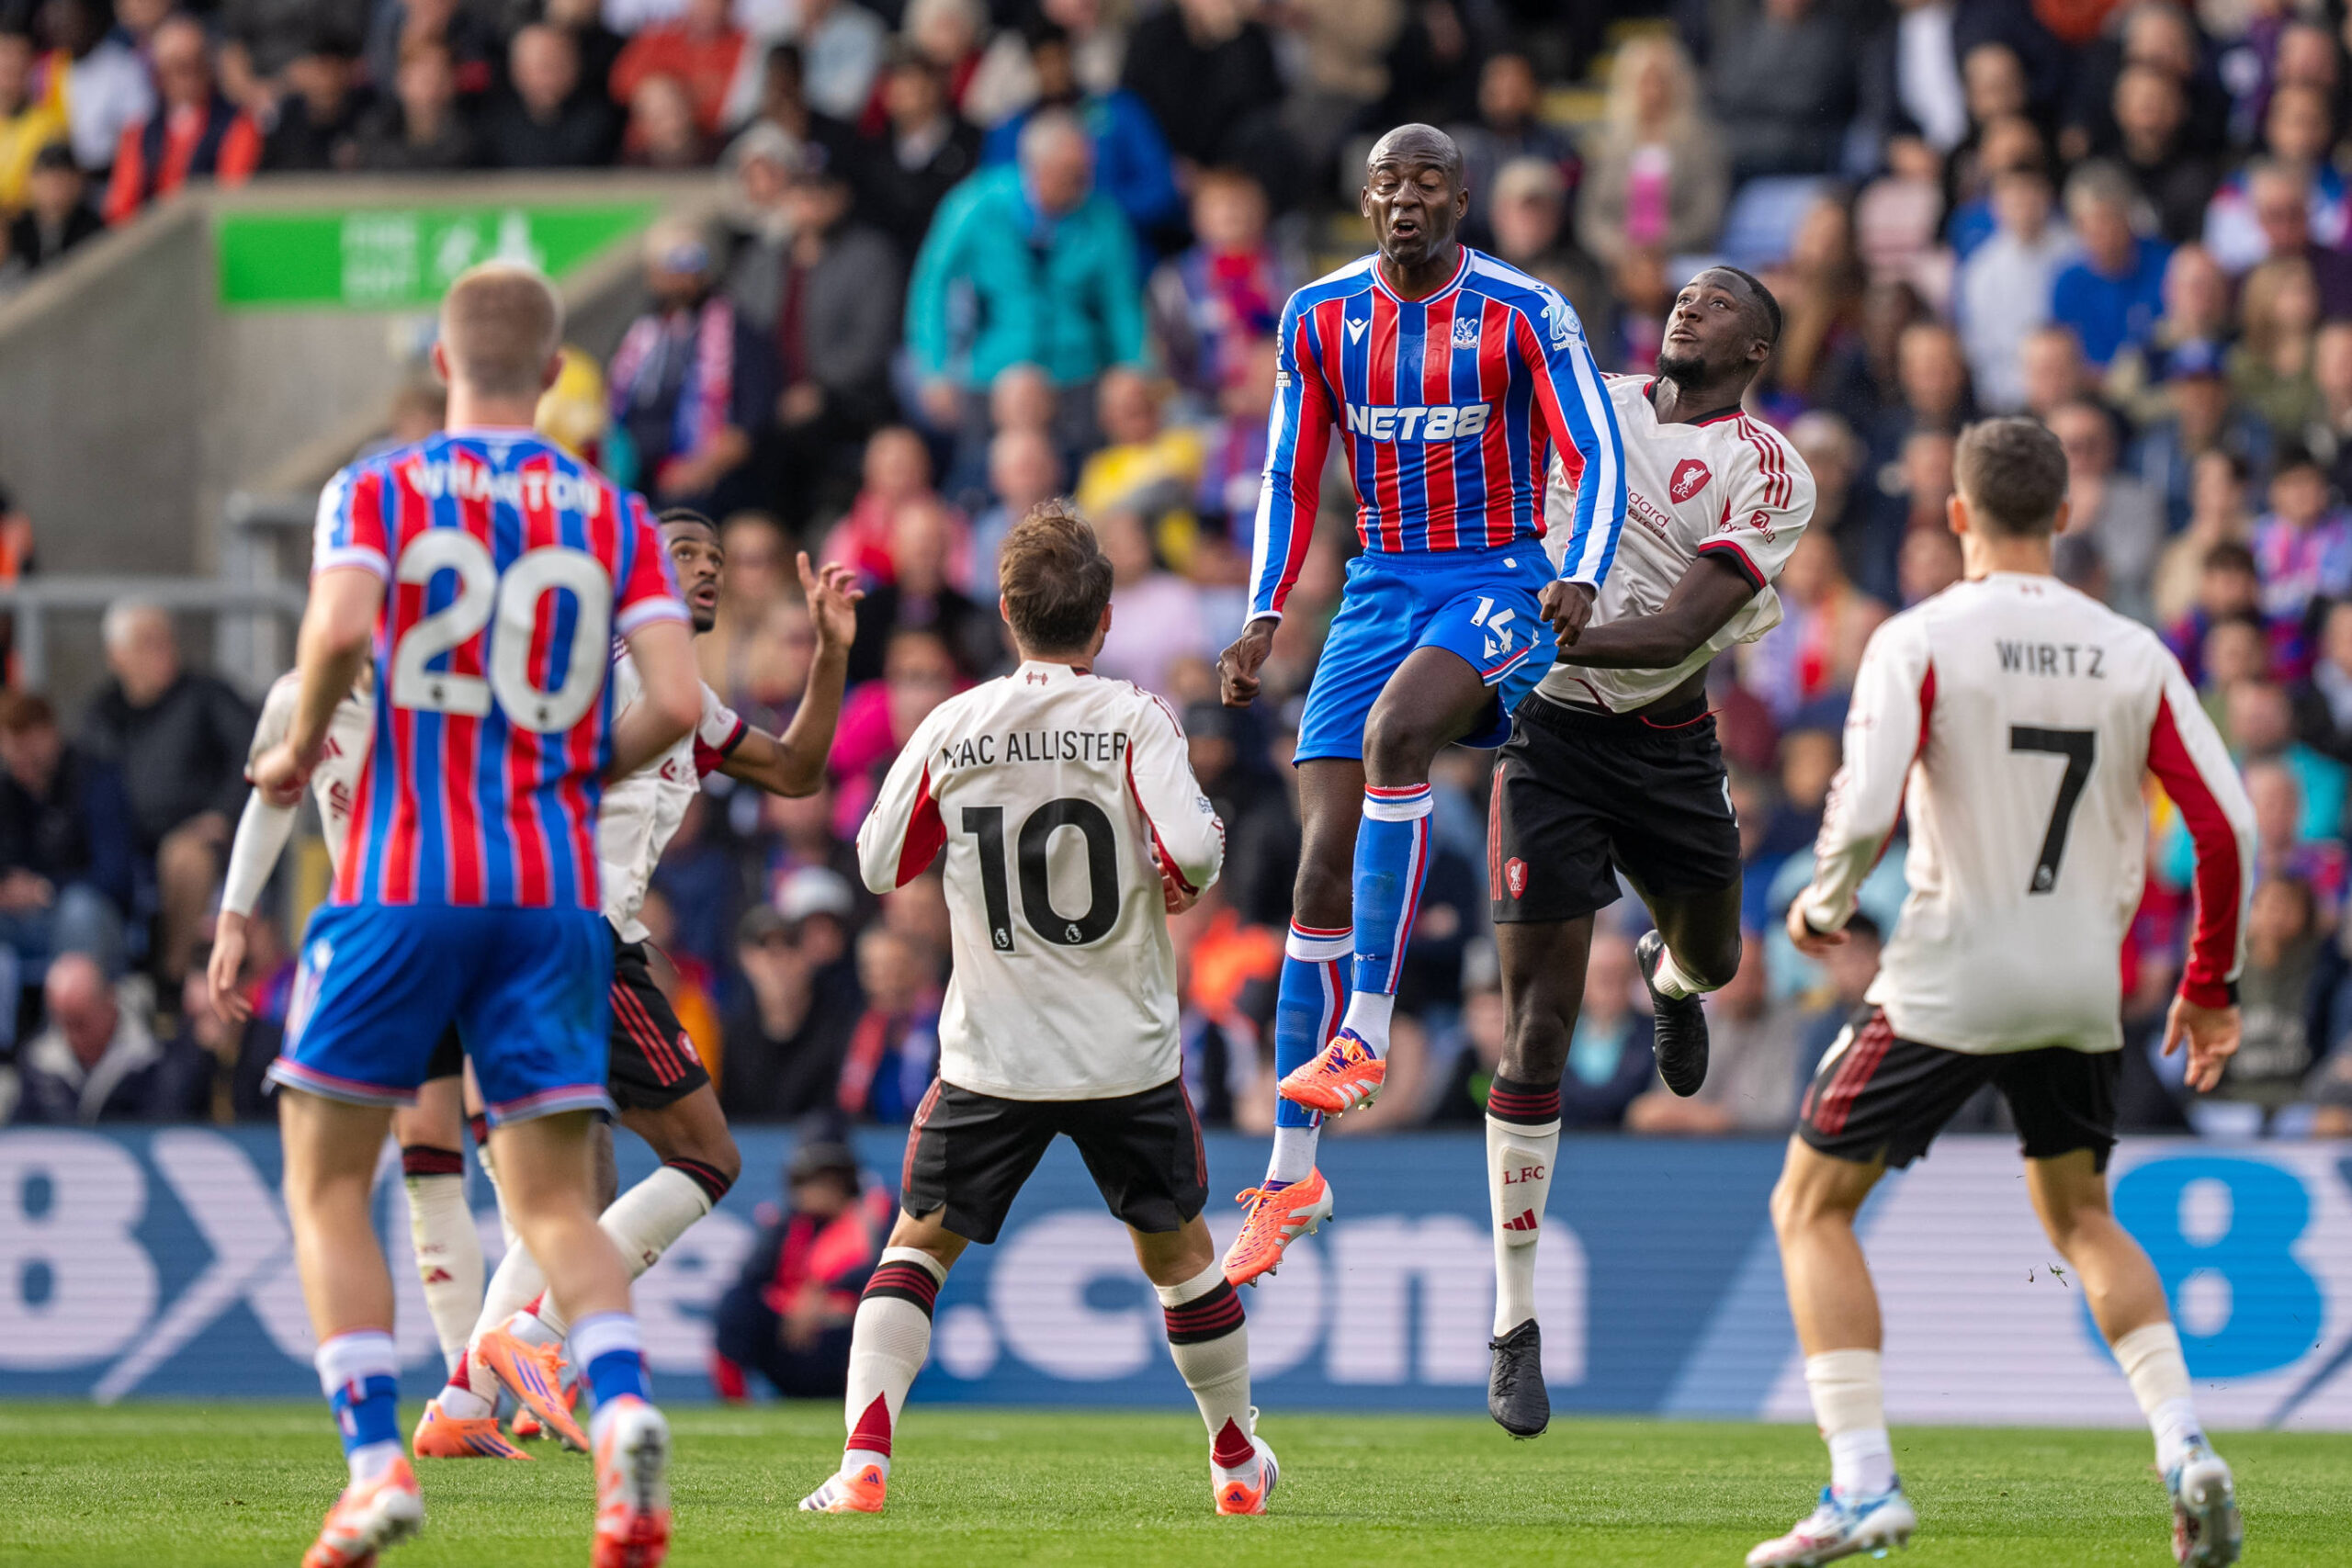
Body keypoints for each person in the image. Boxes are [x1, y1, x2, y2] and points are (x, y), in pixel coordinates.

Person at [246, 261, 703, 1568]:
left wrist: (297, 750)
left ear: (444, 366)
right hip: (549, 893)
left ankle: (374, 1465)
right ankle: (622, 1419)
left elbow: (339, 628)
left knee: (327, 1179)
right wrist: (566, 773)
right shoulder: (613, 512)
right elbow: (676, 702)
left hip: (401, 875)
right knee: (555, 1200)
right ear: (555, 374)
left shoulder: (377, 487)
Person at [1755, 418, 2251, 1567]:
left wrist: (1823, 904)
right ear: (2063, 516)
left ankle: (1861, 1484)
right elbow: (2224, 825)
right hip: (2078, 984)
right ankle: (2183, 1446)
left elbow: (1866, 804)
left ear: (1957, 514)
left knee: (1809, 1207)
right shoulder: (2131, 650)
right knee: (2081, 1218)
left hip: (1950, 974)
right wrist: (2210, 983)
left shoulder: (1919, 637)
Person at [1215, 123, 1625, 1290]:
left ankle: (1368, 1027)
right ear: (1364, 202)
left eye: (1428, 181)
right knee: (1315, 873)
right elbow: (1289, 472)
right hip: (1377, 589)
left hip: (1498, 578)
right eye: (1387, 183)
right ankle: (1291, 1176)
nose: (1406, 198)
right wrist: (1262, 614)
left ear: (1461, 199)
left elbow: (1594, 453)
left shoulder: (1524, 311)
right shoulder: (1318, 317)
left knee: (1400, 734)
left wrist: (1579, 571)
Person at [798, 502, 1263, 1517]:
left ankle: (864, 1461)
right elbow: (1194, 851)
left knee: (916, 1248)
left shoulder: (954, 723)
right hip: (1123, 1054)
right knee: (1180, 1256)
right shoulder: (1136, 717)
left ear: (1007, 614)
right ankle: (1235, 1462)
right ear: (1104, 620)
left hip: (992, 1052)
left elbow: (877, 862)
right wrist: (1181, 871)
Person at [413, 508, 864, 1459]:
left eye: (713, 556)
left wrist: (829, 654)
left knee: (581, 1185)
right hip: (570, 933)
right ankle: (536, 1335)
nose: (705, 568)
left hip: (533, 938)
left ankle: (463, 1403)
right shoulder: (596, 670)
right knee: (708, 1157)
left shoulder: (683, 698)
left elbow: (795, 770)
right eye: (680, 553)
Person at [1483, 266, 1813, 1436]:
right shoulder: (1591, 403)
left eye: (1718, 303)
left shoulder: (1765, 467)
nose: (1687, 306)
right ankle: (1514, 1323)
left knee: (1714, 959)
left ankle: (1671, 984)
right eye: (1683, 295)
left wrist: (1535, 631)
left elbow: (1677, 631)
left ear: (1756, 350)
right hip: (1547, 742)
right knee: (1537, 1024)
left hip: (1667, 748)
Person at [905, 109, 1144, 440]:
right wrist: (933, 369)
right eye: (1070, 173)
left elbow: (1121, 301)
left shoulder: (1102, 217)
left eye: (1086, 171)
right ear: (1036, 168)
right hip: (994, 371)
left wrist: (1134, 367)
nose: (1083, 183)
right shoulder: (977, 205)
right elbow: (933, 284)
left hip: (1075, 369)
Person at [76, 600, 256, 987]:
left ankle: (171, 981)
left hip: (196, 837)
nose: (162, 650)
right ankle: (108, 992)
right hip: (122, 844)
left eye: (166, 639)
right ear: (117, 656)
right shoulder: (102, 714)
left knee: (184, 858)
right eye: (147, 641)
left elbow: (253, 751)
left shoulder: (207, 696)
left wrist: (223, 813)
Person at [605, 219, 776, 511]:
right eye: (673, 264)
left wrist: (700, 468)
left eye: (693, 262)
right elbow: (611, 405)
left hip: (704, 485)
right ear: (652, 273)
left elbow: (752, 424)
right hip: (636, 476)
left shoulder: (737, 334)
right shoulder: (638, 334)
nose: (684, 276)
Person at [710, 1136, 885, 1400]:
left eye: (829, 1182)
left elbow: (881, 1272)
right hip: (791, 1331)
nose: (818, 1190)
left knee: (891, 1315)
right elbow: (753, 1276)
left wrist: (823, 1298)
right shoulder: (787, 1225)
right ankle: (735, 1402)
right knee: (737, 1303)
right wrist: (796, 1306)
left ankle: (874, 1403)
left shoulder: (871, 1220)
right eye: (812, 1181)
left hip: (846, 1331)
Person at [0, 690, 133, 984]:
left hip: (93, 917)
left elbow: (115, 877)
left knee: (78, 908)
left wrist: (44, 889)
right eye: (13, 753)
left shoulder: (96, 779)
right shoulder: (9, 791)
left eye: (28, 749)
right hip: (23, 921)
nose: (21, 761)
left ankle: (68, 1011)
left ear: (50, 734)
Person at [10, 952, 204, 1123]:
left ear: (108, 1000)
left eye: (79, 1022)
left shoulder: (158, 1055)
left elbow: (167, 1126)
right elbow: (21, 1136)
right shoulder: (38, 1064)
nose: (70, 1034)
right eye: (62, 1021)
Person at [102, 16, 260, 225]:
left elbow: (231, 195)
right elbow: (121, 210)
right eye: (180, 66)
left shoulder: (237, 124)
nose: (191, 74)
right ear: (159, 74)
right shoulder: (139, 134)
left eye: (199, 62)